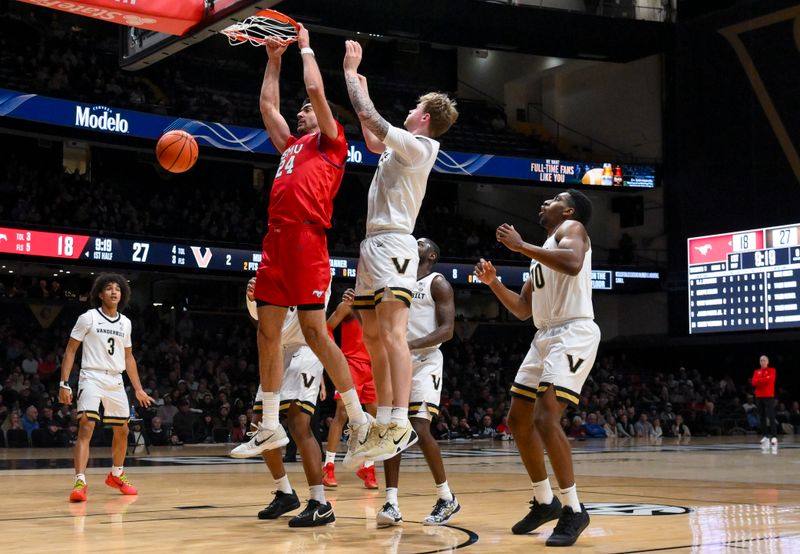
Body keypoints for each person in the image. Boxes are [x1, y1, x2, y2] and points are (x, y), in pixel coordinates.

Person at [240, 26, 371, 469]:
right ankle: (269, 423)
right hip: (275, 240)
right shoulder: (291, 147)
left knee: (316, 333)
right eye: (299, 112)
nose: (300, 114)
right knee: (267, 331)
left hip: (307, 240)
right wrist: (273, 59)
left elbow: (315, 87)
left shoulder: (332, 143)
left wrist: (305, 46)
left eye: (306, 112)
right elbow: (266, 106)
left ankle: (357, 417)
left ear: (324, 117)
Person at [342, 40, 459, 464]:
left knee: (392, 334)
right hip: (372, 243)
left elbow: (374, 119)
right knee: (372, 335)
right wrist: (360, 93)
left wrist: (351, 75)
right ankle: (381, 421)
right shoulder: (399, 147)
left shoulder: (422, 146)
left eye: (413, 107)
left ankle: (398, 421)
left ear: (424, 117)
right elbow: (373, 140)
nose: (408, 110)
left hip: (394, 242)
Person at [474, 190, 598, 546]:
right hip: (544, 334)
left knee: (546, 418)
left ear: (569, 209)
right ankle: (545, 502)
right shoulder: (542, 252)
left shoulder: (572, 229)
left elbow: (573, 263)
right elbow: (522, 309)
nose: (545, 202)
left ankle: (574, 510)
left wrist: (521, 246)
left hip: (574, 330)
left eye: (555, 198)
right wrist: (494, 282)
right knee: (517, 420)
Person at [232, 277, 334, 527]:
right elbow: (263, 320)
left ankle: (320, 503)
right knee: (259, 425)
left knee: (299, 425)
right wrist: (253, 299)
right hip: (278, 351)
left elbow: (310, 313)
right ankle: (285, 492)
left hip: (305, 349)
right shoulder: (274, 270)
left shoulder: (314, 267)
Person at [378, 238, 460, 527]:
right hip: (399, 362)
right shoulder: (399, 280)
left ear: (432, 254)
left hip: (425, 360)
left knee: (420, 427)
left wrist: (408, 346)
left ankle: (446, 497)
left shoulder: (438, 283)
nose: (416, 242)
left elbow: (447, 330)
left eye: (422, 242)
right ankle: (391, 503)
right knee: (391, 429)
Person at [58, 273, 154, 503]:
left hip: (116, 380)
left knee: (123, 430)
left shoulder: (126, 323)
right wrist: (64, 383)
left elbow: (129, 358)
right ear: (100, 294)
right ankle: (80, 480)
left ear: (122, 295)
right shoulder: (88, 318)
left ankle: (116, 474)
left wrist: (138, 389)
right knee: (86, 426)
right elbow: (70, 350)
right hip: (91, 376)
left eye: (118, 289)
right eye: (109, 288)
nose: (114, 292)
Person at [322, 288, 379, 489]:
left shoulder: (380, 307)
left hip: (373, 367)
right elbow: (327, 328)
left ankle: (368, 468)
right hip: (350, 365)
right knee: (342, 413)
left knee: (376, 419)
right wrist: (336, 355)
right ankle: (328, 465)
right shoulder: (348, 304)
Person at [751, 354, 777, 447]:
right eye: (761, 360)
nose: (762, 362)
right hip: (759, 396)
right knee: (761, 417)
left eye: (764, 360)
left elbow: (770, 381)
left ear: (768, 362)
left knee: (771, 416)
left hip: (768, 396)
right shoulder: (756, 371)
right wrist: (763, 380)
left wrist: (759, 381)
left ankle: (774, 436)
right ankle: (765, 435)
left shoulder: (772, 370)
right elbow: (753, 382)